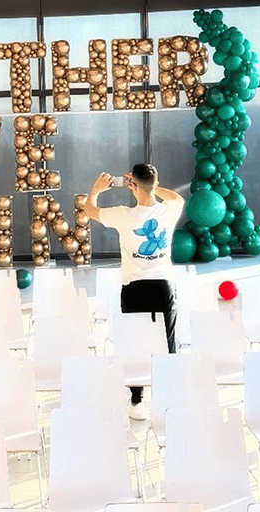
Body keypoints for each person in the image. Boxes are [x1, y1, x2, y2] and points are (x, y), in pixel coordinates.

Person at [82, 163, 185, 421]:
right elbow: (176, 196)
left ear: (133, 186)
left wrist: (96, 189)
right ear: (154, 183)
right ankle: (169, 396)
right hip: (163, 286)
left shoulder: (123, 215)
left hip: (133, 288)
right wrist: (148, 186)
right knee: (167, 341)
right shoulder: (169, 210)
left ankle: (137, 400)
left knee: (134, 343)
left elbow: (88, 209)